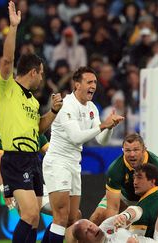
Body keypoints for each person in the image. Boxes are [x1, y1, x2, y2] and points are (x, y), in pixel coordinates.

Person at [0, 2, 63, 242]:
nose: (42, 78)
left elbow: (39, 130)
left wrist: (52, 112)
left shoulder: (33, 101)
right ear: (32, 72)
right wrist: (13, 28)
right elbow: (7, 59)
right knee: (31, 213)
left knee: (35, 219)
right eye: (41, 73)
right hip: (15, 158)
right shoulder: (7, 88)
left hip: (33, 159)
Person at [41, 66, 125, 243]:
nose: (93, 85)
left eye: (94, 82)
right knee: (61, 217)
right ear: (77, 85)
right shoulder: (66, 105)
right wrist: (103, 125)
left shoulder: (91, 107)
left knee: (72, 218)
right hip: (58, 163)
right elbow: (76, 137)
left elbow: (102, 140)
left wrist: (109, 127)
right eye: (89, 82)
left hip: (74, 165)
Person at [89, 134, 158, 226]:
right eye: (127, 150)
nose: (132, 154)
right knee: (97, 217)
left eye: (136, 150)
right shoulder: (115, 169)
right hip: (124, 195)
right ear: (123, 150)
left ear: (144, 149)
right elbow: (112, 209)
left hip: (151, 195)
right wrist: (111, 233)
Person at [0, 134, 51, 214]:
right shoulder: (4, 134)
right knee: (30, 217)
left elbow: (50, 152)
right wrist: (4, 189)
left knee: (62, 213)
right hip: (17, 184)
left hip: (36, 182)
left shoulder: (36, 131)